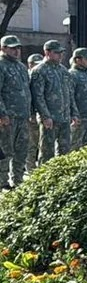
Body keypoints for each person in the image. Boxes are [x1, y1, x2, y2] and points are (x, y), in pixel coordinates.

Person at [29, 40, 77, 164]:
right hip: (50, 119)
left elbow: (69, 94)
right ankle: (44, 175)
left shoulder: (63, 70)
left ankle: (61, 174)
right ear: (47, 53)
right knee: (47, 152)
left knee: (65, 152)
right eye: (57, 53)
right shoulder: (39, 70)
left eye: (61, 53)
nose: (60, 55)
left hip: (64, 118)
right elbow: (38, 96)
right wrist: (45, 116)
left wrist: (74, 113)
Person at [0, 35, 32, 188]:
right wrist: (2, 113)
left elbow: (27, 92)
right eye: (12, 48)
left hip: (22, 116)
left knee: (21, 151)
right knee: (6, 151)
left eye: (18, 48)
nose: (16, 51)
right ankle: (2, 182)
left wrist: (30, 112)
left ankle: (18, 181)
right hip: (8, 118)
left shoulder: (21, 67)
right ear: (3, 48)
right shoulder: (1, 65)